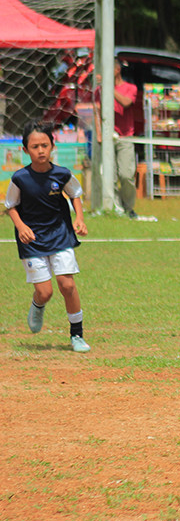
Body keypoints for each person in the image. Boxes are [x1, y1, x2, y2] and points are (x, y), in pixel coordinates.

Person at [4, 121, 90, 353]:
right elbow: (10, 205)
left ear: (53, 145)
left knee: (67, 284)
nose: (40, 150)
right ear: (25, 150)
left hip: (60, 234)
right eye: (34, 147)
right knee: (45, 291)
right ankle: (37, 303)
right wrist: (20, 226)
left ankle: (77, 334)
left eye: (44, 145)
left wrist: (79, 218)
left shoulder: (62, 174)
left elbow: (76, 194)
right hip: (31, 239)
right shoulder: (20, 178)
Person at [95, 57, 139, 219]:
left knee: (126, 175)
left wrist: (108, 88)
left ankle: (129, 207)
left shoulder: (130, 88)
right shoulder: (99, 91)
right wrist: (99, 133)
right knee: (109, 175)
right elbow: (96, 111)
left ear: (117, 70)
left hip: (125, 137)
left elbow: (126, 102)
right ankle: (116, 208)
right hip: (107, 138)